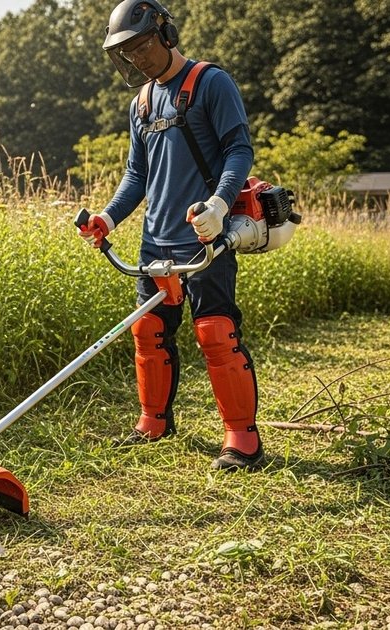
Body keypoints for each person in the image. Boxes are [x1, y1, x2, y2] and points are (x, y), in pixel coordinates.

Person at [80, 0, 262, 471]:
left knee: (215, 333)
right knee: (149, 331)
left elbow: (238, 151)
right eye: (127, 52)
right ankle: (153, 422)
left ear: (166, 33)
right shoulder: (140, 103)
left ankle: (242, 438)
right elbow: (136, 175)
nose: (137, 58)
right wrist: (108, 218)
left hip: (205, 235)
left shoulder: (210, 83)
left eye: (141, 46)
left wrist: (219, 206)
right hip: (155, 240)